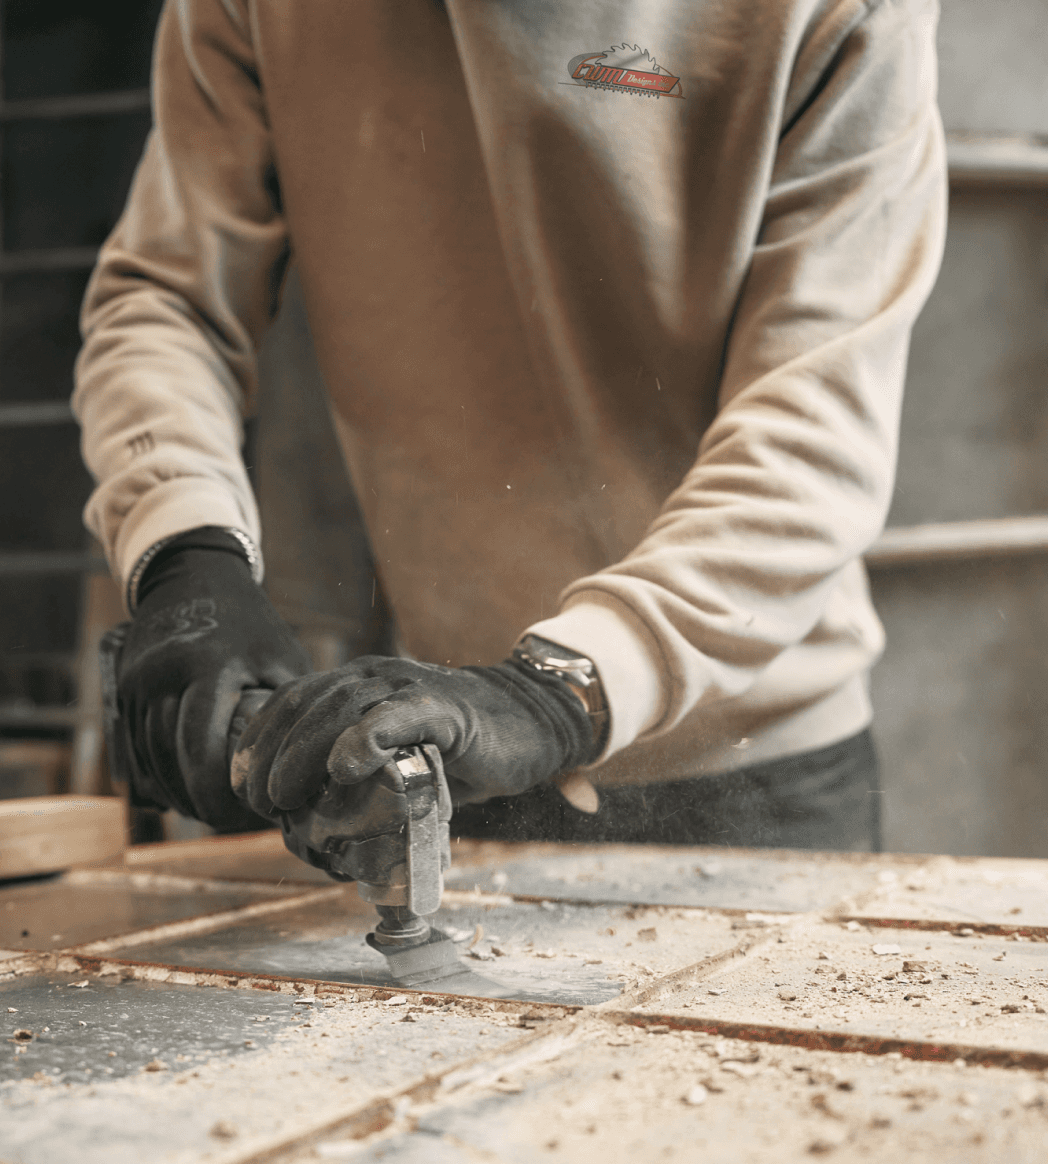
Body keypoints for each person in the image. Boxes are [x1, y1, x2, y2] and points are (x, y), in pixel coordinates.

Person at [74, 0, 947, 859]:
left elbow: (809, 428)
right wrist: (185, 549)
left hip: (751, 756)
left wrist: (555, 693)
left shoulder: (840, 13)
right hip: (451, 739)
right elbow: (167, 300)